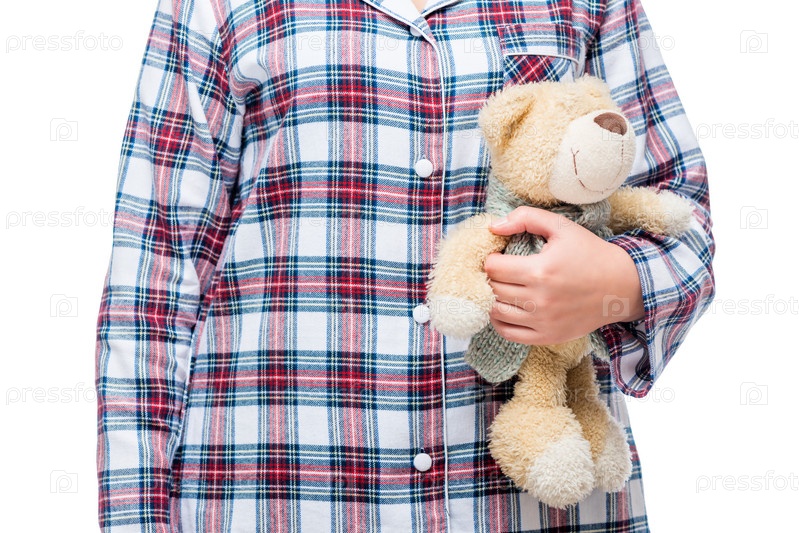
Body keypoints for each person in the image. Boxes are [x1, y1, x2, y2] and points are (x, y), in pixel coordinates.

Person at [93, 0, 715, 531]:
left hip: (533, 502)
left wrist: (614, 283)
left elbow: (683, 218)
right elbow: (153, 275)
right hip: (284, 494)